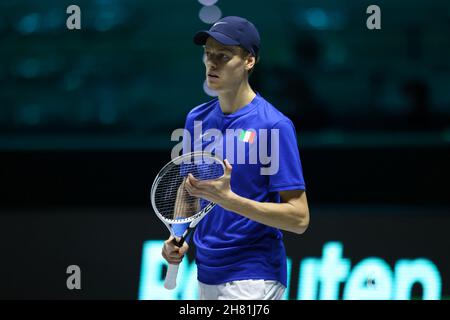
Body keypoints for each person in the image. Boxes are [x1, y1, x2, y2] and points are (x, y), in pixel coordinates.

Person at [161, 16, 310, 300]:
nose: (212, 63)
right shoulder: (197, 118)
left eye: (223, 56)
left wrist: (230, 201)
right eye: (208, 54)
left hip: (255, 276)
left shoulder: (274, 126)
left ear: (249, 61)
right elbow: (189, 189)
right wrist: (177, 235)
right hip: (206, 273)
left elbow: (299, 218)